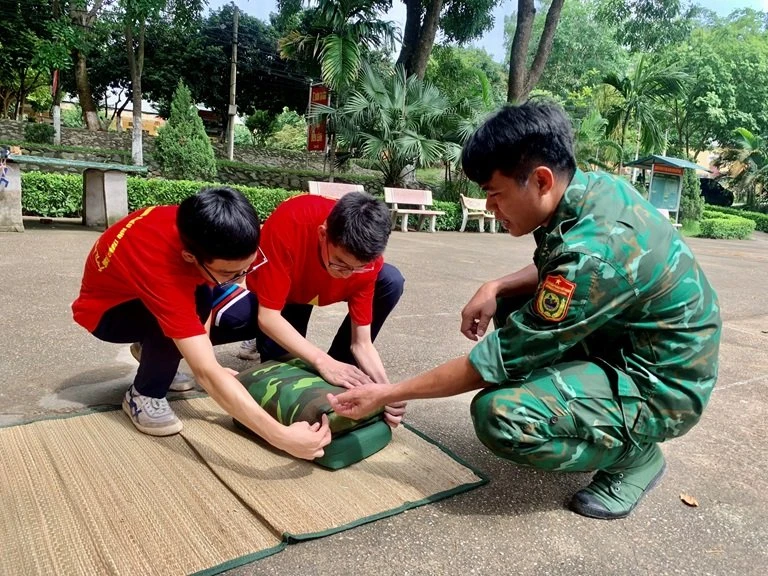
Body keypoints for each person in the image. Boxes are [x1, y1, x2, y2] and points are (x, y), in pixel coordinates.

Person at [327, 101, 722, 519]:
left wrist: (387, 393)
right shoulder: (592, 191)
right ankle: (574, 408)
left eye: (496, 194)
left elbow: (493, 359)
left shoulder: (596, 252)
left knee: (499, 414)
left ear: (541, 180)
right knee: (514, 300)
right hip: (631, 344)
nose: (491, 208)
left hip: (661, 388)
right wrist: (495, 285)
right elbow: (559, 263)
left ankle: (632, 458)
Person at [71, 187, 331, 460]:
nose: (241, 279)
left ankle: (154, 355)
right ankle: (143, 394)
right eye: (230, 273)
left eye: (246, 268)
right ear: (189, 258)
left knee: (242, 313)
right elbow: (204, 373)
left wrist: (211, 364)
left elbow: (204, 293)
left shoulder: (203, 228)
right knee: (187, 318)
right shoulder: (162, 267)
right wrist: (282, 437)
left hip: (145, 293)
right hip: (107, 315)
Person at [207, 191, 407, 428]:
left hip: (315, 289)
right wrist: (321, 361)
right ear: (323, 234)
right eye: (340, 263)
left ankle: (340, 365)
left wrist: (387, 391)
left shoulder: (367, 262)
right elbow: (268, 317)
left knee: (391, 280)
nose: (347, 274)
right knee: (281, 367)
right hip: (284, 295)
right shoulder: (291, 222)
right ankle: (263, 343)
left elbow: (361, 343)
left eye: (358, 268)